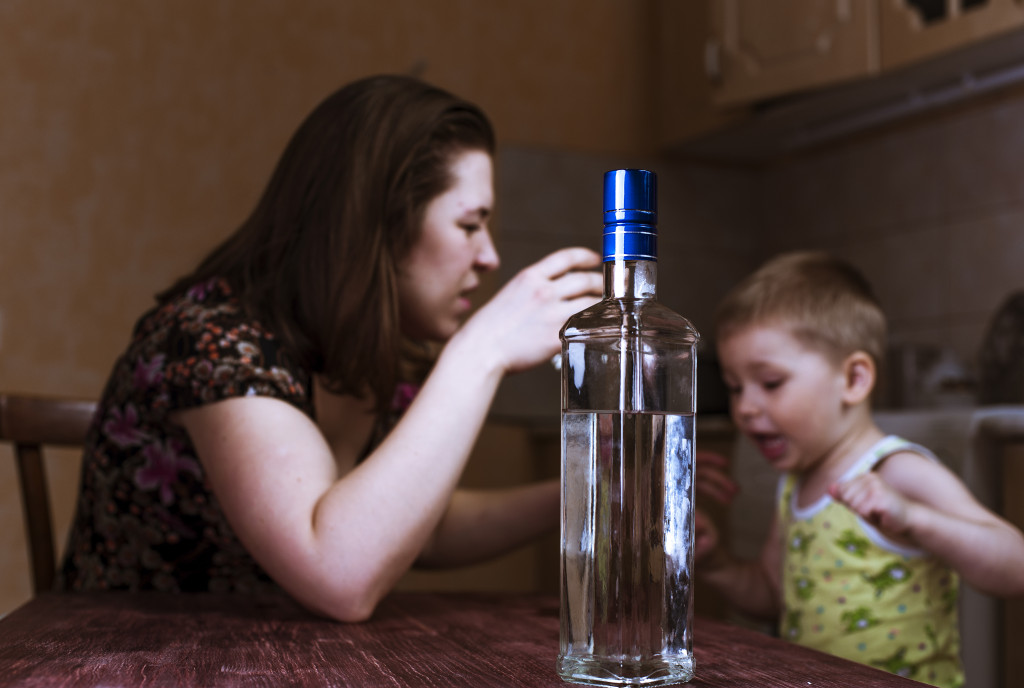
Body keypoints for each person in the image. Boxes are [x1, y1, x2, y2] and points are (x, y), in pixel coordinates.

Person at [57, 74, 604, 622]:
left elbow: (410, 522)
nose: (488, 256)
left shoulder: (376, 353)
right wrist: (482, 349)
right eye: (468, 224)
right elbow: (339, 571)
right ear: (375, 227)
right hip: (131, 656)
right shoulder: (213, 340)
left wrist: (595, 490)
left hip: (280, 658)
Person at [693, 251, 1024, 688]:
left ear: (853, 380)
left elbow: (1014, 565)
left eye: (770, 383)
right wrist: (717, 564)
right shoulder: (793, 485)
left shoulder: (897, 470)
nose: (745, 408)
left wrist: (916, 518)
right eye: (735, 388)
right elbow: (774, 597)